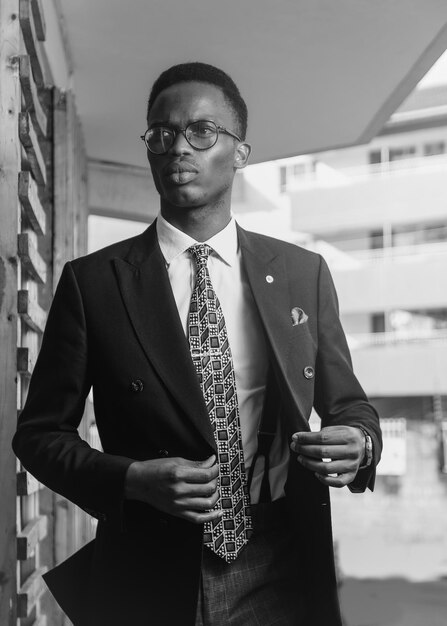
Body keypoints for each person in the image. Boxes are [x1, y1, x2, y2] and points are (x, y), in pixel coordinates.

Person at [13, 62, 382, 626]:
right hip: (150, 564)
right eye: (161, 134)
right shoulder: (94, 283)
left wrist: (359, 440)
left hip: (279, 552)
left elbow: (348, 404)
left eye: (201, 132)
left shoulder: (302, 272)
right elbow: (39, 436)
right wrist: (131, 480)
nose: (178, 147)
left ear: (239, 152)